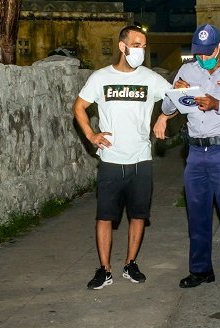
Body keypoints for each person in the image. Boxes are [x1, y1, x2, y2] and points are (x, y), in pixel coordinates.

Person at [156, 23, 220, 291]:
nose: (202, 58)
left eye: (207, 52)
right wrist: (174, 92)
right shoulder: (188, 69)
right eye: (198, 53)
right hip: (195, 153)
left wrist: (217, 104)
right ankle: (200, 270)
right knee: (197, 214)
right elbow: (169, 107)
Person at [73, 24, 172, 290]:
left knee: (138, 215)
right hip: (111, 160)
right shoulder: (100, 77)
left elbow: (177, 98)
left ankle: (130, 264)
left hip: (141, 159)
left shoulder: (150, 78)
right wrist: (91, 135)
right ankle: (104, 270)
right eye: (136, 45)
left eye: (143, 46)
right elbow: (79, 107)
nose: (141, 50)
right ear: (122, 46)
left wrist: (163, 115)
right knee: (105, 217)